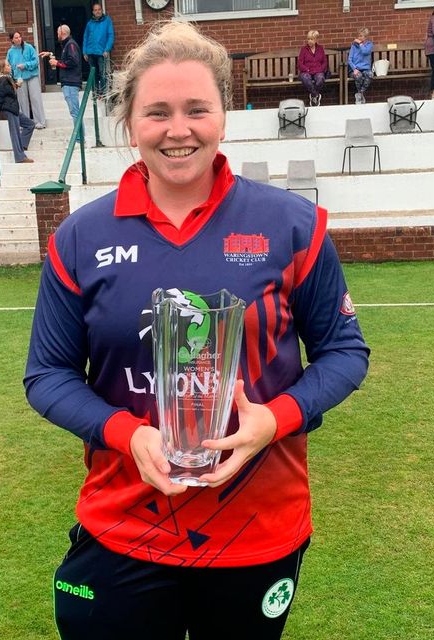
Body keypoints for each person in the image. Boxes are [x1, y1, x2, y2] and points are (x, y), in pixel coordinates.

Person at [24, 20, 369, 640]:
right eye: (156, 112)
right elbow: (47, 375)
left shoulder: (291, 224)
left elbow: (344, 352)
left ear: (224, 117)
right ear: (129, 122)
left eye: (196, 110)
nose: (177, 130)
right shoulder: (81, 237)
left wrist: (275, 418)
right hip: (125, 524)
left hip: (256, 527)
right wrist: (127, 435)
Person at [41, 25, 83, 138]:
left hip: (71, 82)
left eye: (58, 32)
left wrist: (57, 63)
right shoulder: (67, 45)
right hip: (68, 82)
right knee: (74, 111)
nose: (56, 35)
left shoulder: (71, 45)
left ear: (63, 33)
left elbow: (73, 61)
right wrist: (50, 54)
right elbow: (67, 59)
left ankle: (79, 138)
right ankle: (79, 136)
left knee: (75, 111)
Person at [0, 59, 34, 164]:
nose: (10, 67)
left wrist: (16, 85)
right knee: (15, 133)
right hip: (9, 109)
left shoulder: (7, 78)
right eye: (8, 65)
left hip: (13, 108)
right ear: (2, 68)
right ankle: (19, 156)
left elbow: (7, 92)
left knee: (30, 124)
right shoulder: (2, 80)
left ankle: (21, 147)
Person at [7, 30, 47, 128]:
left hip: (31, 76)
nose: (19, 39)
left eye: (19, 36)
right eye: (16, 37)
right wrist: (12, 78)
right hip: (19, 79)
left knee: (35, 98)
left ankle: (40, 122)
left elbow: (36, 61)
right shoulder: (10, 52)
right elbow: (8, 65)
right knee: (22, 101)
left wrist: (25, 65)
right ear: (12, 40)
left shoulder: (29, 47)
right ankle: (26, 123)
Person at [83, 1, 115, 97]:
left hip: (101, 52)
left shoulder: (107, 21)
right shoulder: (90, 23)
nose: (97, 12)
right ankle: (96, 93)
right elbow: (85, 37)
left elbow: (110, 36)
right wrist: (84, 51)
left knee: (103, 73)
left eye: (99, 10)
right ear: (93, 12)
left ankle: (103, 93)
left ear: (102, 10)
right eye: (95, 10)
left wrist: (107, 49)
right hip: (90, 52)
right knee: (93, 74)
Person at [298, 30, 329, 107]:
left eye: (311, 39)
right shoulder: (304, 49)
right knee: (305, 78)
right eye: (308, 39)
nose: (309, 41)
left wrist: (321, 69)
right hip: (307, 71)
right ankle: (315, 95)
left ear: (316, 40)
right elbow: (300, 63)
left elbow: (324, 62)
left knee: (320, 78)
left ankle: (313, 96)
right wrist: (307, 69)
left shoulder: (320, 49)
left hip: (318, 71)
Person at [348, 27, 373, 105]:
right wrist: (354, 69)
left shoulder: (369, 45)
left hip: (365, 69)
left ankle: (360, 94)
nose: (359, 37)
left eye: (361, 36)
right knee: (358, 76)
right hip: (355, 69)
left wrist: (361, 44)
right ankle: (360, 96)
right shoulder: (354, 46)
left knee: (370, 74)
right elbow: (349, 59)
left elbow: (365, 52)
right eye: (358, 36)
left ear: (365, 37)